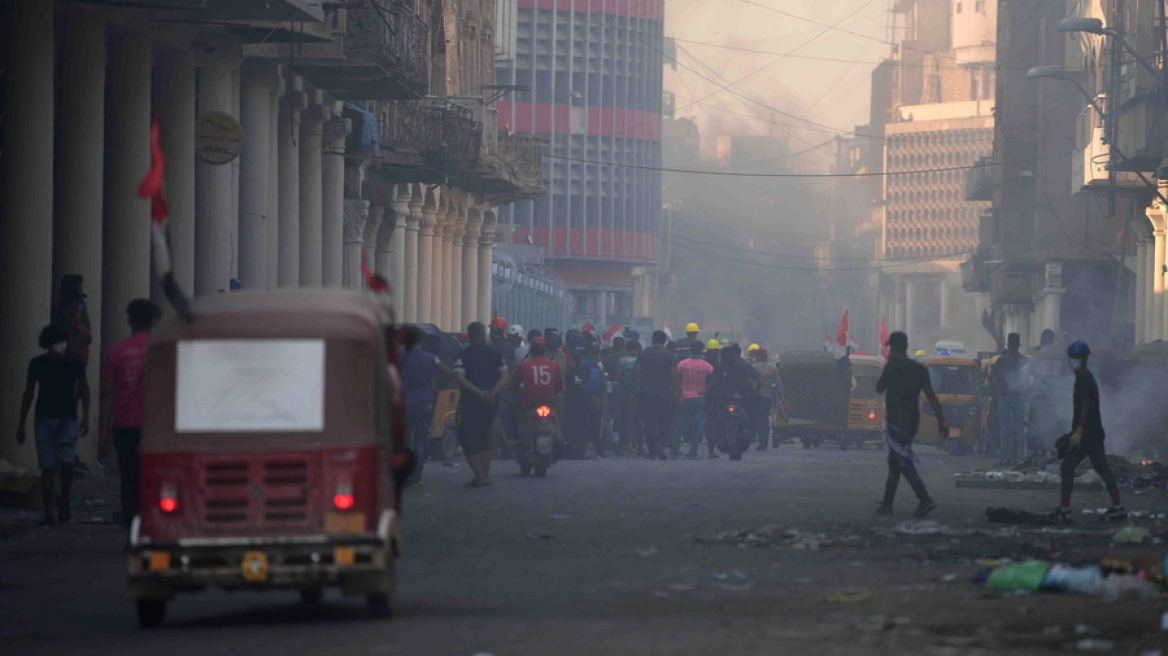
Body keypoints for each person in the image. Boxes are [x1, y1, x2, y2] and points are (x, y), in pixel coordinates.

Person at [16, 325, 91, 526]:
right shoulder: (38, 364)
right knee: (47, 466)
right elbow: (28, 392)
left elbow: (84, 388)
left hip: (68, 418)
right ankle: (49, 511)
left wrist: (85, 417)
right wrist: (21, 422)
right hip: (45, 418)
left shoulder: (74, 361)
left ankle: (64, 498)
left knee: (67, 463)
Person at [100, 299, 160, 526]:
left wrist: (104, 431)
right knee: (154, 475)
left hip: (125, 424)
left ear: (129, 320)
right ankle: (152, 519)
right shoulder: (162, 349)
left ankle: (132, 521)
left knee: (129, 475)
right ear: (154, 321)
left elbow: (108, 394)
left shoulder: (118, 352)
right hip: (157, 425)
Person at [1053, 341, 1126, 523]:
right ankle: (1118, 507)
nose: (1073, 361)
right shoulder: (1086, 376)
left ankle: (1064, 510)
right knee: (1102, 468)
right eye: (1072, 357)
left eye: (1076, 358)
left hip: (1086, 433)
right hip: (1094, 432)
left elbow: (1085, 404)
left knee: (1067, 467)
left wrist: (1078, 431)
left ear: (1084, 359)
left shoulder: (1084, 378)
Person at [875, 332, 946, 518]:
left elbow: (879, 388)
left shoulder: (892, 367)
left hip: (896, 420)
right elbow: (931, 396)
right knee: (895, 461)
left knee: (902, 461)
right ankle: (887, 504)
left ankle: (924, 499)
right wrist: (942, 420)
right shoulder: (918, 368)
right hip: (912, 420)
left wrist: (887, 367)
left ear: (894, 348)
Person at [453, 322, 510, 487]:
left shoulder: (463, 355)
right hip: (492, 403)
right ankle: (484, 475)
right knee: (487, 437)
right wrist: (493, 392)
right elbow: (505, 375)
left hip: (471, 403)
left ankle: (480, 476)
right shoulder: (495, 353)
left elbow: (459, 378)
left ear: (470, 335)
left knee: (468, 439)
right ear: (481, 335)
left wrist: (479, 392)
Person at [400, 325, 453, 487]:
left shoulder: (397, 354)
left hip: (403, 402)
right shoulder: (430, 358)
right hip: (425, 401)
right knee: (420, 440)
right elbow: (448, 373)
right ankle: (417, 477)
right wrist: (438, 388)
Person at [631, 330, 678, 460]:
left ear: (653, 340)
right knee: (665, 421)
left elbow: (636, 374)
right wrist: (678, 393)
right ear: (664, 341)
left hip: (646, 393)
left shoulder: (644, 355)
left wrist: (631, 391)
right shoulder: (669, 356)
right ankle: (660, 442)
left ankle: (651, 451)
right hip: (665, 394)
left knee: (649, 422)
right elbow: (674, 376)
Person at [1024, 329, 1072, 457]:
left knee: (1035, 422)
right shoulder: (1061, 356)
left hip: (1039, 395)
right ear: (1053, 340)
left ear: (1042, 340)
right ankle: (1056, 449)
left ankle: (1034, 450)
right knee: (1056, 422)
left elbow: (1027, 373)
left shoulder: (1038, 355)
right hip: (1056, 395)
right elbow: (1067, 375)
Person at [509, 337, 564, 447]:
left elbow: (513, 385)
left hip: (529, 404)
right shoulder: (554, 365)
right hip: (550, 403)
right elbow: (559, 387)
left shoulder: (524, 365)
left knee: (518, 423)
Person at [673, 341, 715, 459]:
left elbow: (675, 376)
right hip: (699, 397)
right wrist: (706, 390)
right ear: (702, 350)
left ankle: (675, 449)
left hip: (684, 397)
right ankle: (693, 451)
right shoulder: (705, 365)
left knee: (679, 424)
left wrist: (678, 391)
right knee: (697, 426)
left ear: (690, 349)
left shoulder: (683, 364)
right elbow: (715, 377)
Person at [993, 333, 1029, 462]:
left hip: (1004, 397)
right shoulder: (1025, 361)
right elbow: (1028, 380)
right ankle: (1020, 457)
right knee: (1019, 428)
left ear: (1007, 344)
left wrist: (999, 391)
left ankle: (1004, 457)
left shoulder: (1001, 360)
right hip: (1019, 397)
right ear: (1019, 345)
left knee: (1004, 428)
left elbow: (994, 378)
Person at [617, 340, 643, 456]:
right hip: (639, 393)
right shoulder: (642, 361)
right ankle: (640, 447)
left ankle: (621, 447)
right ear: (637, 349)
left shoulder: (622, 360)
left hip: (626, 393)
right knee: (638, 421)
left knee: (624, 420)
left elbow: (618, 377)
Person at [751, 348, 780, 451]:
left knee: (755, 419)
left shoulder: (752, 368)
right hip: (767, 397)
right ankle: (764, 443)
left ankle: (755, 438)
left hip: (754, 397)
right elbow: (778, 384)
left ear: (758, 357)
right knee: (764, 420)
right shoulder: (773, 369)